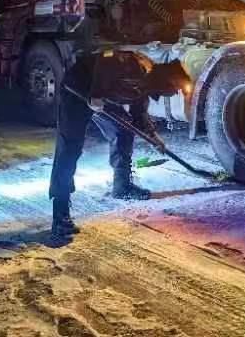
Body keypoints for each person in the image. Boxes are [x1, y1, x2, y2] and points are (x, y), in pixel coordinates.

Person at [49, 48, 191, 240]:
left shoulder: (145, 85)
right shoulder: (137, 65)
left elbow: (139, 115)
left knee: (123, 129)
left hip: (100, 99)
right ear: (166, 80)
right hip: (77, 91)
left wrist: (153, 137)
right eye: (175, 89)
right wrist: (95, 93)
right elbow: (105, 58)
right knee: (69, 149)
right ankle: (60, 214)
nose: (174, 93)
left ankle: (122, 186)